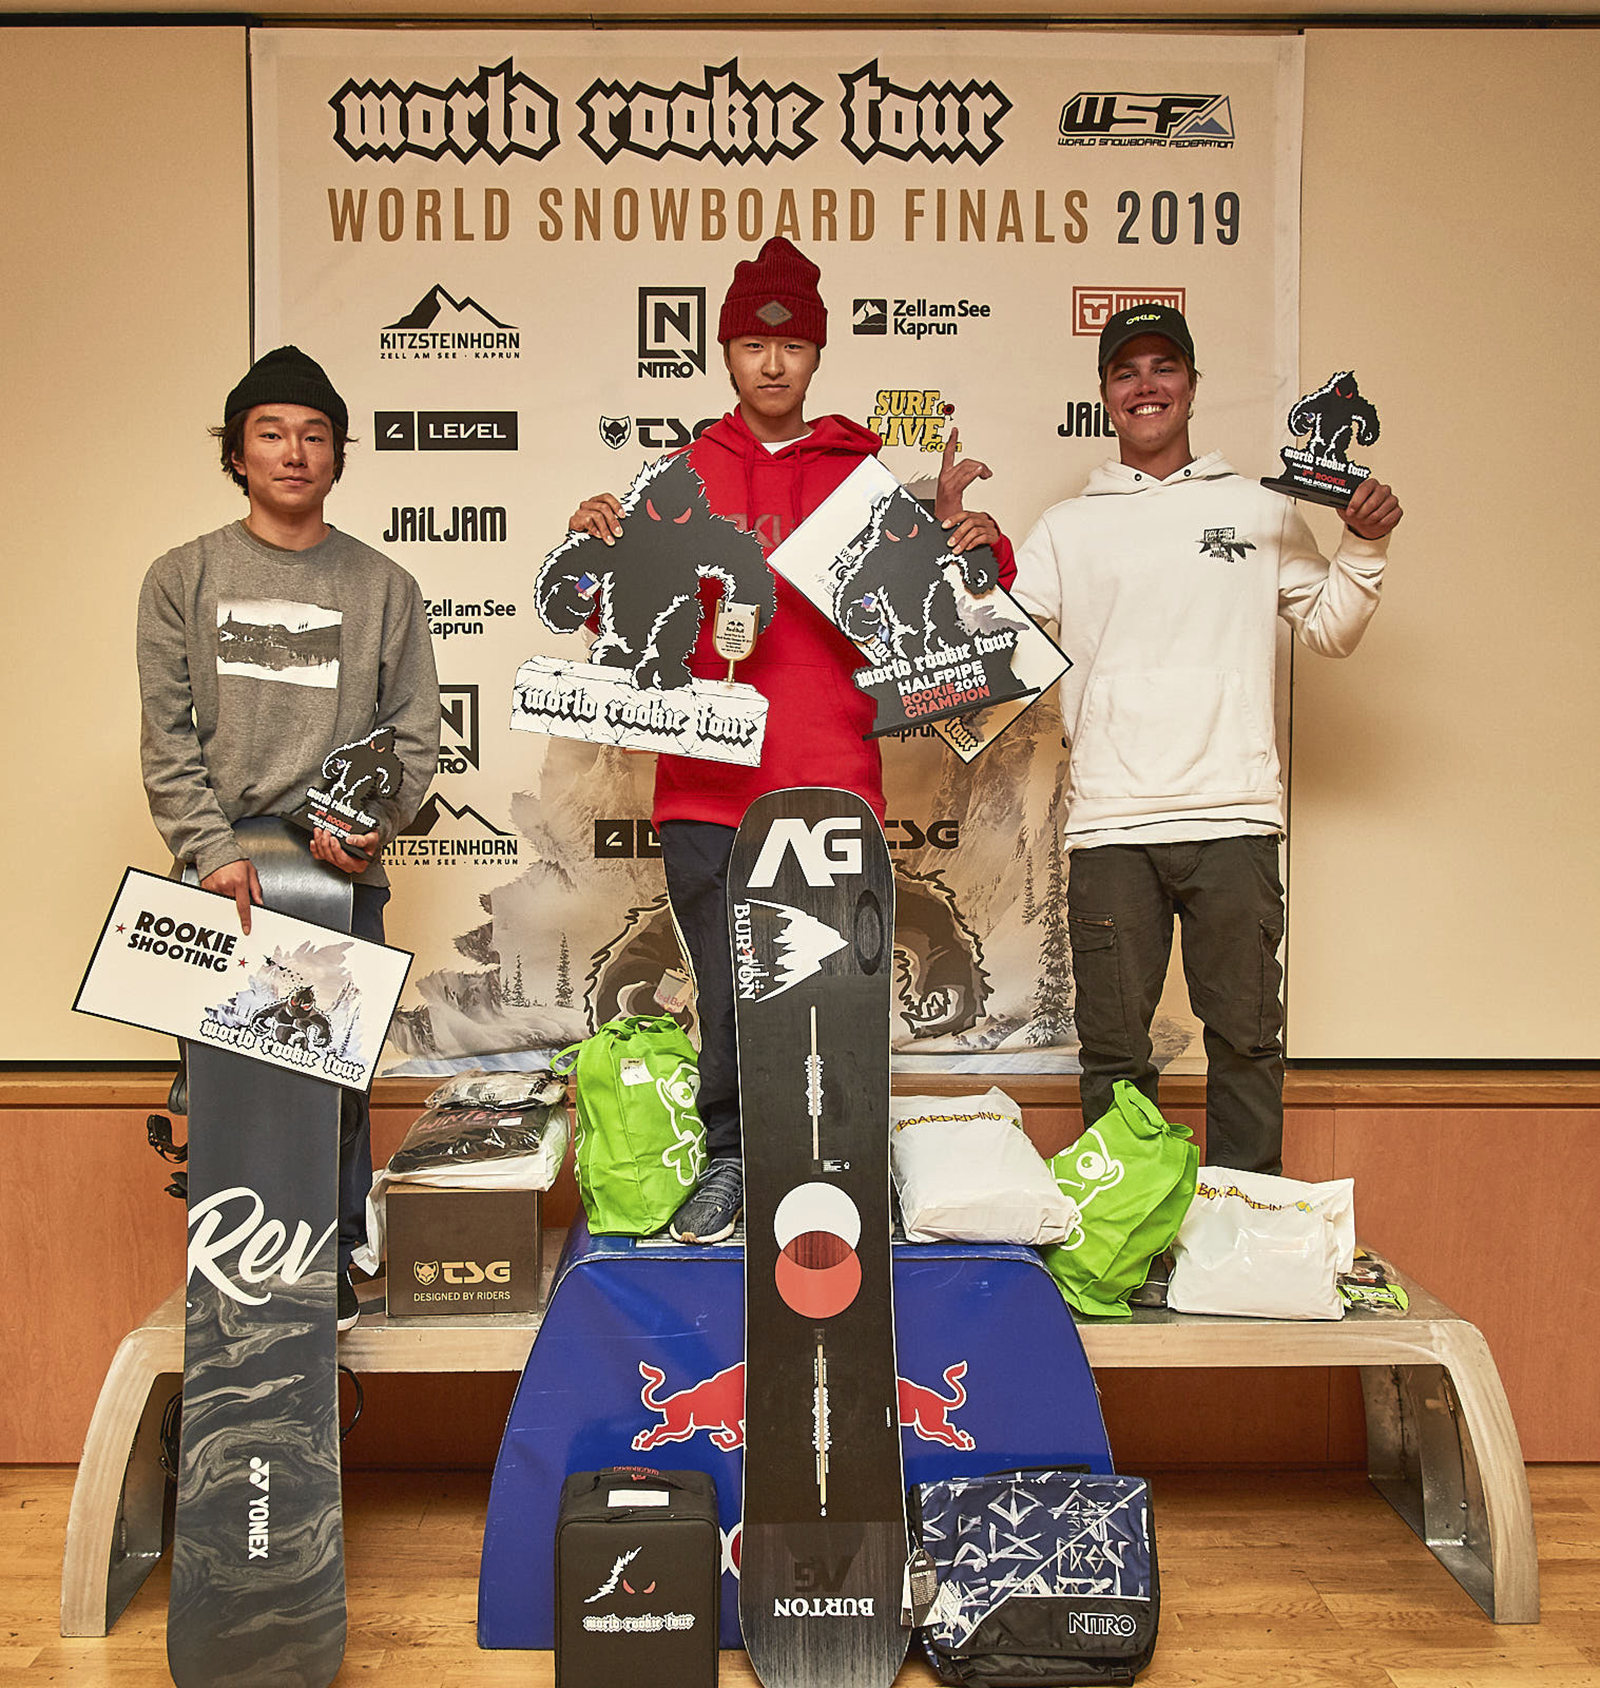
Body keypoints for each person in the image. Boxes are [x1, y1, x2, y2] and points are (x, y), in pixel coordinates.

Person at [570, 237, 1015, 1241]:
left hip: (829, 780)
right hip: (707, 783)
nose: (772, 363)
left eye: (793, 346)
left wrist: (973, 547)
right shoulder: (677, 476)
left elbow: (949, 624)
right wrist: (595, 553)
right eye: (751, 344)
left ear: (815, 354)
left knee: (837, 993)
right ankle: (731, 1157)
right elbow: (621, 630)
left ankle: (843, 1165)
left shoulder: (863, 479)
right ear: (725, 352)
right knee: (730, 994)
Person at [1011, 305, 1402, 1174]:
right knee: (1115, 1057)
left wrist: (1366, 543)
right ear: (1105, 395)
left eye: (1164, 367)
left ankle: (1246, 1230)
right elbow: (994, 651)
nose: (1146, 386)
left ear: (1191, 385)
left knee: (1246, 1045)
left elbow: (1332, 628)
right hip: (1112, 828)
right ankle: (1130, 1232)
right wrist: (953, 558)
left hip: (1234, 819)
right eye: (1126, 372)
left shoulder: (1260, 508)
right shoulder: (1066, 528)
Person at [137, 345, 440, 1325]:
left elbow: (416, 738)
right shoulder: (182, 576)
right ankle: (230, 1258)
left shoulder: (385, 585)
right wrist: (210, 848)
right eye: (270, 434)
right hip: (223, 869)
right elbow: (166, 736)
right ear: (237, 453)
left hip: (336, 869)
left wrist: (374, 827)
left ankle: (333, 1253)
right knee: (226, 1080)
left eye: (314, 436)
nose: (294, 452)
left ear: (338, 456)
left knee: (333, 1079)